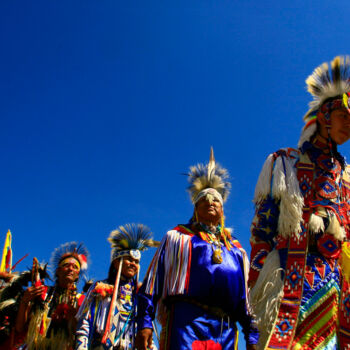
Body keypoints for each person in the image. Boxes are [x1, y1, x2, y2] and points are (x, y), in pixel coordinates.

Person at [249, 56, 350, 349]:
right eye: (344, 115)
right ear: (325, 116)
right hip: (290, 275)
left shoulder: (345, 177)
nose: (349, 124)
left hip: (335, 283)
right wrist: (259, 281)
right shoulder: (284, 163)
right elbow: (262, 228)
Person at [135, 149, 259, 350]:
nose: (210, 202)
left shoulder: (236, 249)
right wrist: (145, 323)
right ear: (195, 208)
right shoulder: (177, 237)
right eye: (203, 199)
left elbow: (246, 299)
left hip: (225, 329)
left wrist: (252, 336)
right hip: (185, 322)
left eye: (215, 200)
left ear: (222, 210)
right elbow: (151, 284)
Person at [75, 223, 158, 350]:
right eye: (129, 259)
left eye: (136, 262)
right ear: (116, 262)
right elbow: (85, 322)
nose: (133, 264)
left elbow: (145, 325)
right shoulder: (99, 288)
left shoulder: (139, 295)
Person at [14, 242, 89, 350]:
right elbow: (20, 328)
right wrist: (24, 302)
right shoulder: (42, 292)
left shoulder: (81, 301)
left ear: (77, 275)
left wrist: (74, 318)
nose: (70, 269)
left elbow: (82, 336)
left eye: (75, 267)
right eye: (66, 265)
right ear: (58, 271)